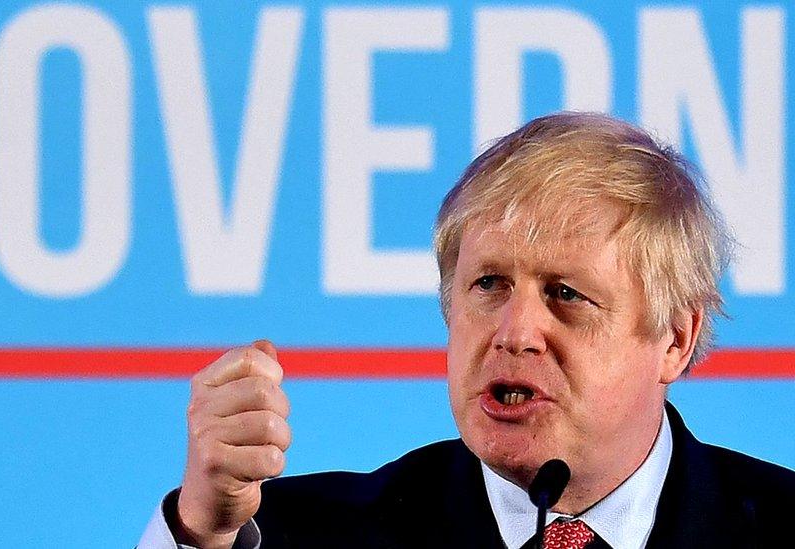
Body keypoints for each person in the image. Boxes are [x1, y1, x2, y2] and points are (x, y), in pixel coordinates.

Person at [140, 112, 795, 548]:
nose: (515, 331)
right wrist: (202, 526)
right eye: (489, 285)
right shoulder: (293, 535)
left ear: (676, 338)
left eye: (566, 295)